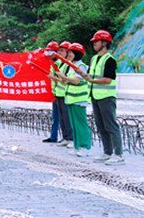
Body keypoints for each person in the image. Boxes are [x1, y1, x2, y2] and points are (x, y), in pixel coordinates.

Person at [78, 30, 124, 165]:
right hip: (95, 97)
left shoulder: (110, 60)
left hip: (107, 97)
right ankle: (107, 152)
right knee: (101, 126)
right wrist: (82, 74)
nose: (94, 44)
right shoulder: (94, 59)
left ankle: (118, 154)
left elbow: (108, 80)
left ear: (104, 43)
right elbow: (90, 76)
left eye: (96, 41)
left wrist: (91, 80)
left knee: (111, 126)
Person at [56, 43, 91, 157]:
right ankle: (77, 145)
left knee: (81, 124)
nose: (69, 54)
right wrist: (60, 78)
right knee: (74, 124)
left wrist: (64, 77)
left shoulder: (81, 66)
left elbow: (76, 81)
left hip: (79, 99)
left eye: (71, 52)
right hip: (71, 99)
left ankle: (85, 146)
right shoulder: (71, 66)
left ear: (77, 53)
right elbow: (68, 82)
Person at [49, 42, 74, 146]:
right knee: (62, 118)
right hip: (59, 94)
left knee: (68, 118)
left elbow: (65, 80)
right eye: (59, 50)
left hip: (66, 94)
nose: (59, 52)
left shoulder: (69, 65)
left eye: (62, 51)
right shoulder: (60, 64)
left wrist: (54, 78)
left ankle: (71, 139)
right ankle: (65, 137)